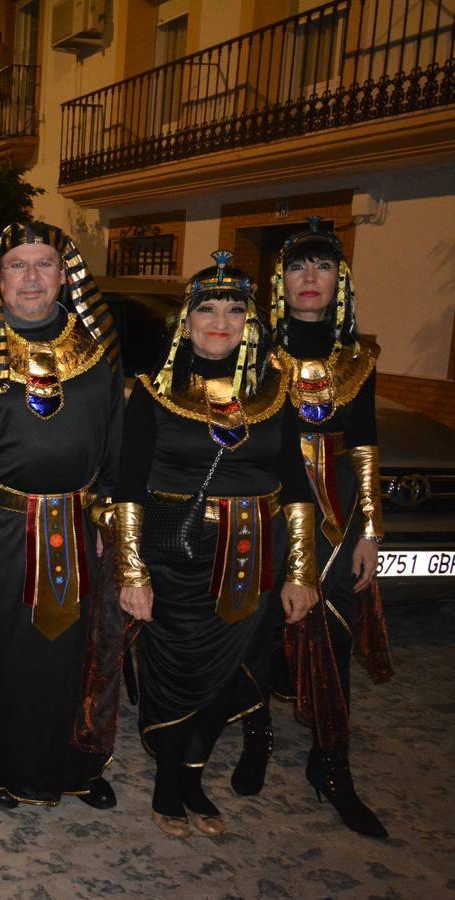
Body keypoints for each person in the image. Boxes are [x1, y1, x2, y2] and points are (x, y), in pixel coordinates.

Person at [112, 251, 319, 838]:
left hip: (255, 563)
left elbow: (298, 488)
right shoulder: (154, 393)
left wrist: (301, 571)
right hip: (177, 560)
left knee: (230, 675)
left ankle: (193, 781)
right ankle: (165, 783)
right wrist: (133, 572)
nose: (220, 320)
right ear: (187, 319)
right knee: (175, 672)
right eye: (207, 307)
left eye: (234, 308)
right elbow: (128, 486)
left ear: (250, 321)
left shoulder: (275, 393)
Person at [0, 222, 123, 811]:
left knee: (78, 656)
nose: (30, 277)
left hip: (79, 527)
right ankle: (3, 768)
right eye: (17, 265)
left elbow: (116, 442)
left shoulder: (96, 348)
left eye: (43, 263)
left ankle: (75, 767)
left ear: (64, 275)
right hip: (1, 529)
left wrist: (106, 522)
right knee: (5, 659)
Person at [231, 218, 392, 837]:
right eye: (299, 266)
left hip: (341, 511)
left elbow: (368, 445)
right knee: (259, 626)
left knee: (335, 634)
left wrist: (372, 529)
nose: (309, 278)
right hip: (269, 504)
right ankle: (257, 734)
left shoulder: (361, 357)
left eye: (322, 267)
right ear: (282, 281)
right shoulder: (253, 350)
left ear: (339, 282)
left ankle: (332, 765)